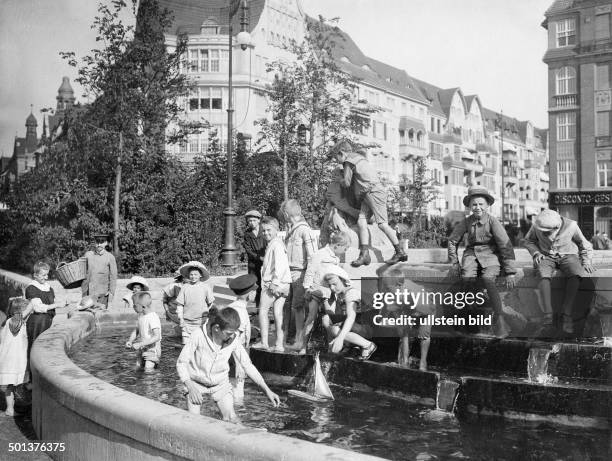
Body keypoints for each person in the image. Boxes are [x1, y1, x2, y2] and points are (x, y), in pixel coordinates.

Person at [176, 306, 281, 423]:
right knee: (194, 421)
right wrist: (190, 386)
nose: (232, 336)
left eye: (234, 333)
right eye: (229, 333)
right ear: (216, 328)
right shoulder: (198, 335)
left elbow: (247, 365)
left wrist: (267, 390)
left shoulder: (233, 340)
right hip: (196, 383)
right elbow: (181, 363)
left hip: (220, 384)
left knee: (232, 418)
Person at [447, 186, 517, 338]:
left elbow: (506, 245)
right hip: (471, 255)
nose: (477, 207)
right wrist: (454, 263)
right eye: (474, 205)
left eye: (481, 204)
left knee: (487, 279)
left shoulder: (493, 221)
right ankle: (466, 321)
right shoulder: (466, 222)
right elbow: (452, 241)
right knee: (466, 280)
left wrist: (510, 271)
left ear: (487, 205)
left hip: (491, 255)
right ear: (470, 206)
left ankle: (500, 320)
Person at [332, 139, 407, 266]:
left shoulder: (349, 161)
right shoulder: (359, 158)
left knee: (382, 224)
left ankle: (400, 252)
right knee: (361, 222)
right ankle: (364, 254)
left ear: (341, 153)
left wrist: (338, 179)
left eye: (336, 158)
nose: (337, 161)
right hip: (368, 193)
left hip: (373, 192)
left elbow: (347, 182)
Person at [522, 209, 595, 335]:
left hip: (568, 255)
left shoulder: (572, 225)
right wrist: (536, 253)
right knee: (543, 273)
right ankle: (548, 315)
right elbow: (528, 241)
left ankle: (566, 314)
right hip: (546, 256)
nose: (544, 234)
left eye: (547, 232)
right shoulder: (537, 225)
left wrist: (586, 261)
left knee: (576, 274)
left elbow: (584, 244)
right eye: (542, 232)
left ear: (557, 227)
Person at [293, 231, 351, 354]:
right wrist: (307, 288)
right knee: (311, 319)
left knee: (330, 319)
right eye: (345, 249)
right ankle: (303, 346)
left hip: (330, 292)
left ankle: (330, 347)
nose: (345, 252)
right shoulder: (319, 254)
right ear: (337, 245)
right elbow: (310, 271)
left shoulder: (336, 257)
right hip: (316, 290)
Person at [280, 199, 316, 350]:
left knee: (299, 307)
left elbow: (312, 256)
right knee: (291, 307)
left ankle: (300, 340)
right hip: (289, 273)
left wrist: (307, 280)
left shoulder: (304, 230)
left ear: (287, 214)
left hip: (300, 274)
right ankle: (291, 337)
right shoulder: (292, 230)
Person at [321, 266, 377, 360]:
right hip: (358, 326)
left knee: (335, 330)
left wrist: (339, 338)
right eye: (330, 285)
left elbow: (351, 317)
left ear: (343, 280)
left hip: (369, 328)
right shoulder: (340, 294)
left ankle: (367, 345)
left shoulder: (350, 293)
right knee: (326, 318)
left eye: (334, 284)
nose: (332, 288)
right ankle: (341, 347)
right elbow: (339, 316)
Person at [252, 217, 291, 352]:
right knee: (278, 313)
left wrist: (274, 283)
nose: (266, 233)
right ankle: (279, 344)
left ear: (277, 230)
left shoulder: (276, 245)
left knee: (262, 311)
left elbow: (280, 266)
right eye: (263, 230)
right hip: (284, 284)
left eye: (269, 230)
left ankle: (264, 342)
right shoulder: (277, 244)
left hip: (274, 284)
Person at [225, 274, 257, 403]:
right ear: (249, 294)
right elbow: (233, 339)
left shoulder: (232, 307)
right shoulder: (241, 313)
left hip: (232, 356)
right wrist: (239, 365)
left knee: (229, 390)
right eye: (254, 291)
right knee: (237, 393)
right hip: (235, 357)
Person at [25, 262, 64, 363]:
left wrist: (62, 303)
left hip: (47, 321)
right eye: (43, 275)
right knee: (35, 348)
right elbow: (38, 307)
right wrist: (57, 305)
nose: (46, 277)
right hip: (36, 323)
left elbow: (52, 302)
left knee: (44, 348)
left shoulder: (48, 287)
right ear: (35, 275)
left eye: (47, 274)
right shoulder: (31, 288)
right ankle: (31, 373)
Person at [0, 299, 33, 416]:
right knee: (11, 385)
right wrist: (30, 307)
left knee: (14, 384)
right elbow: (18, 320)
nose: (30, 313)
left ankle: (13, 406)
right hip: (11, 360)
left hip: (13, 359)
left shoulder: (16, 322)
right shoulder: (13, 322)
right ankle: (10, 408)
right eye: (29, 312)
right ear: (20, 312)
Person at [176, 261, 214, 345]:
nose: (193, 276)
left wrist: (208, 317)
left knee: (201, 344)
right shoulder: (185, 287)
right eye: (191, 274)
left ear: (200, 275)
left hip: (201, 321)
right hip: (187, 322)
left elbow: (211, 304)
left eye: (195, 274)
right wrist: (180, 318)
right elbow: (180, 305)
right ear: (188, 275)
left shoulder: (205, 287)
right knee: (186, 346)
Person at [125, 292, 161, 371]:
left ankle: (156, 361)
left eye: (135, 305)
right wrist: (130, 340)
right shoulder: (141, 316)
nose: (133, 307)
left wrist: (140, 344)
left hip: (152, 349)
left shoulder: (152, 317)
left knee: (148, 370)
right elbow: (136, 330)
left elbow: (157, 336)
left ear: (143, 306)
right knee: (138, 366)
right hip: (142, 347)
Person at [81, 233, 118, 308]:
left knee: (101, 315)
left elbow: (113, 277)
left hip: (102, 294)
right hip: (88, 292)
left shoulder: (110, 257)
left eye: (102, 242)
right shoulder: (88, 255)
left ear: (106, 243)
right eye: (97, 242)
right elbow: (81, 270)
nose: (99, 245)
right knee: (88, 314)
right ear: (94, 243)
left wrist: (111, 293)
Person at [243, 210, 266, 306]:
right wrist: (258, 257)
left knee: (266, 284)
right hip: (254, 263)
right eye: (249, 221)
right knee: (256, 285)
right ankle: (258, 306)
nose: (251, 223)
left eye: (253, 220)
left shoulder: (264, 230)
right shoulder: (247, 234)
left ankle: (266, 305)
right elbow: (248, 249)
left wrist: (266, 256)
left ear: (259, 220)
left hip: (266, 260)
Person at [162, 270, 183, 338]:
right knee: (179, 333)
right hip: (174, 312)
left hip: (185, 312)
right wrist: (167, 311)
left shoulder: (190, 285)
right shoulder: (174, 286)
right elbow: (165, 300)